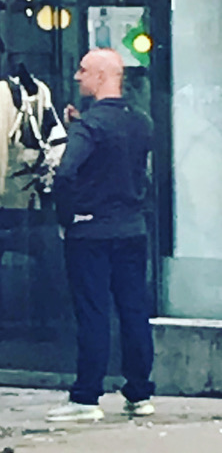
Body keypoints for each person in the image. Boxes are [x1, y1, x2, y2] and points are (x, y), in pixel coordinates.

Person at [46, 48, 155, 422]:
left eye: (84, 70)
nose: (77, 76)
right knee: (134, 311)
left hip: (90, 231)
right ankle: (139, 393)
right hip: (132, 227)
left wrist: (67, 218)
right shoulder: (140, 121)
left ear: (103, 76)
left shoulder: (89, 127)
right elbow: (127, 163)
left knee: (93, 313)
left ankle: (86, 397)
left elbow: (65, 173)